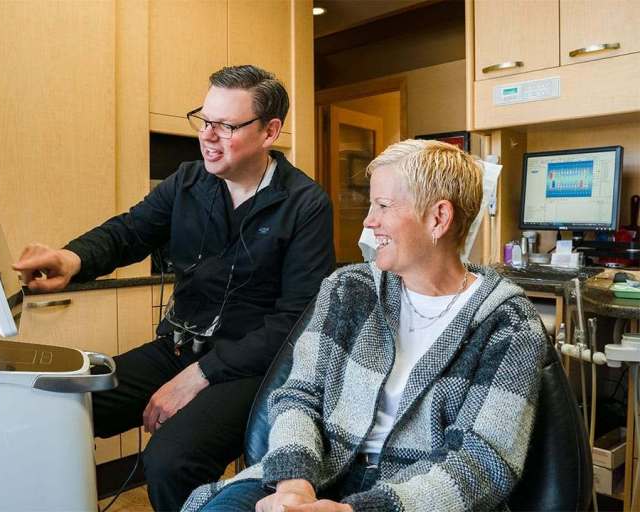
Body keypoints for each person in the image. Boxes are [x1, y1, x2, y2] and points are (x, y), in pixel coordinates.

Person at [12, 65, 335, 511]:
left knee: (169, 460)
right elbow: (128, 232)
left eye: (226, 125)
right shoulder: (188, 180)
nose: (208, 135)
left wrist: (198, 379)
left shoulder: (305, 204)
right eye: (205, 120)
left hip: (251, 369)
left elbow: (295, 320)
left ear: (269, 132)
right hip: (179, 346)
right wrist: (72, 259)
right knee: (63, 407)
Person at [183, 139, 548, 512]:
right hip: (316, 470)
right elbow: (299, 395)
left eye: (383, 206)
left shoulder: (509, 325)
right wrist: (295, 486)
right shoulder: (348, 289)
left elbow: (482, 462)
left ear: (438, 217)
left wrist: (355, 510)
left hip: (413, 496)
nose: (369, 221)